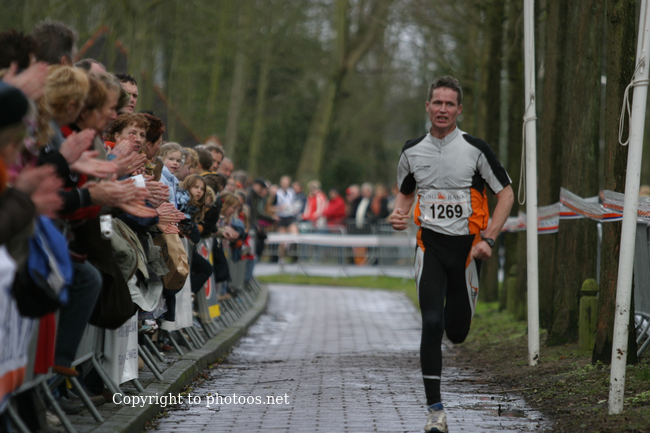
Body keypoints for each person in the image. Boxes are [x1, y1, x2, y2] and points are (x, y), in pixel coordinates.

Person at [390, 76, 514, 433]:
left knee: (456, 333)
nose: (442, 109)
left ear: (459, 109)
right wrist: (399, 214)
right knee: (431, 323)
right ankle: (435, 411)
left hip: (467, 253)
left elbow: (506, 194)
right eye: (437, 103)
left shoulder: (476, 149)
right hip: (429, 248)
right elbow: (406, 192)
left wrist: (489, 239)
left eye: (449, 104)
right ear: (427, 107)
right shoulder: (412, 150)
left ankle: (458, 315)